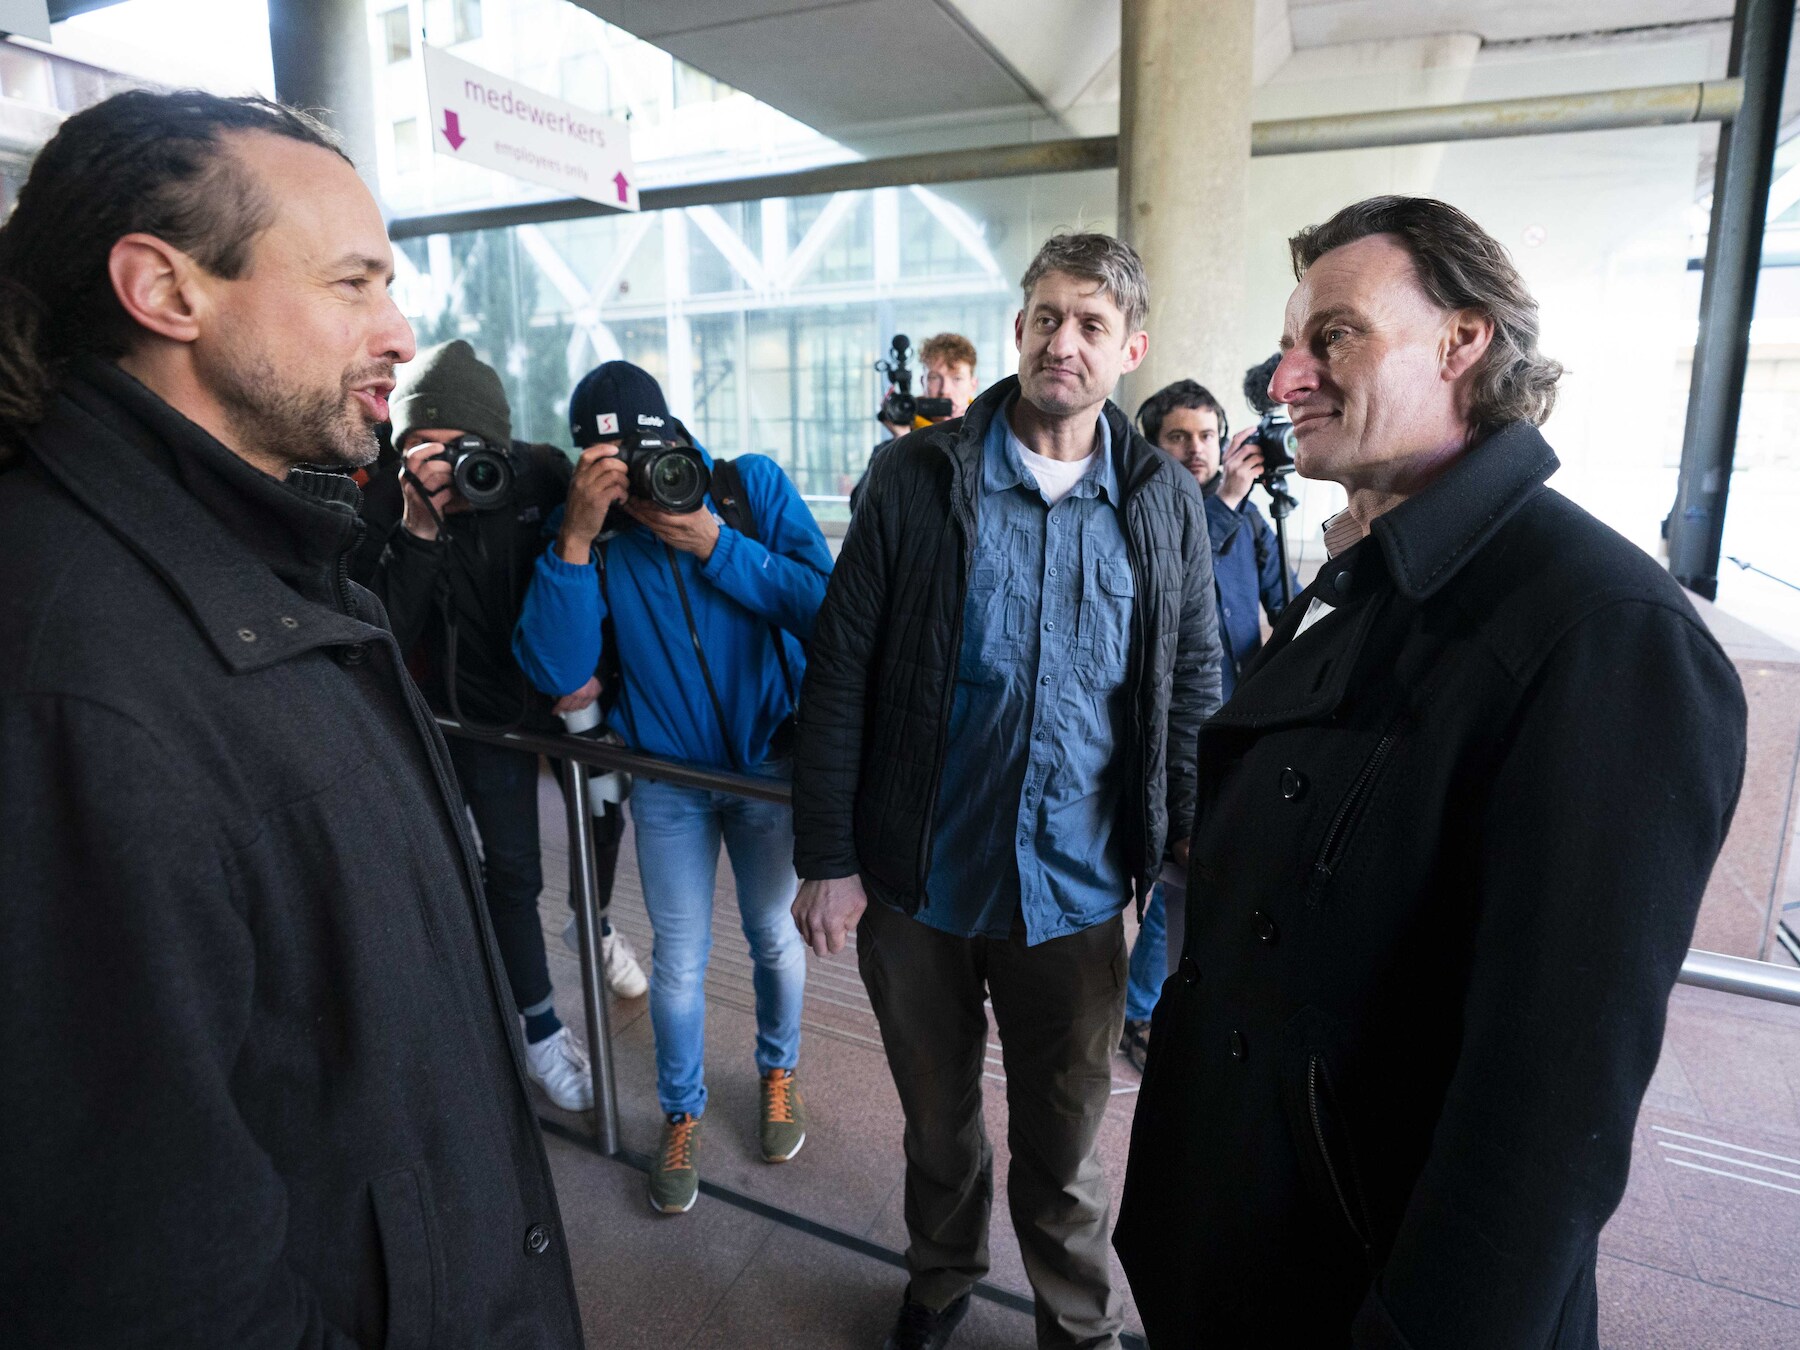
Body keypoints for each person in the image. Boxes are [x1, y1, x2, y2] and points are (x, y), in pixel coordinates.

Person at [0, 91, 582, 1347]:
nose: (398, 328)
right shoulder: (78, 681)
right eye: (353, 283)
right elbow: (144, 1279)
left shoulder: (266, 549)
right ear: (166, 290)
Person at [1115, 196, 1748, 1349]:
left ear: (1465, 343)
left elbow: (1549, 1110)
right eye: (1288, 345)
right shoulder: (1378, 565)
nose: (1287, 377)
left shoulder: (1602, 630)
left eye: (1336, 336)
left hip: (1357, 1281)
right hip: (1246, 1236)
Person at [791, 233, 1223, 1350]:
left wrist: (1186, 842)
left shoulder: (1162, 502)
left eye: (1088, 324)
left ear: (1128, 348)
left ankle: (1074, 1325)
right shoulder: (917, 477)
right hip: (919, 887)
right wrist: (829, 859)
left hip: (1075, 901)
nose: (1060, 342)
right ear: (1017, 332)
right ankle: (939, 1276)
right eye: (1043, 317)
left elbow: (1191, 688)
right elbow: (842, 669)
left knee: (1067, 1150)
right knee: (938, 1127)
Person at [513, 360, 832, 1215]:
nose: (643, 475)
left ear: (678, 434)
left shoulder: (744, 488)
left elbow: (830, 610)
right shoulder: (593, 533)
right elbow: (557, 669)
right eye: (612, 459)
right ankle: (680, 1113)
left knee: (773, 933)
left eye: (652, 449)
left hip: (768, 765)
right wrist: (576, 540)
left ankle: (778, 1072)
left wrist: (718, 546)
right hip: (667, 778)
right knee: (679, 959)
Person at [360, 339, 649, 1113]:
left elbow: (604, 571)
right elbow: (381, 629)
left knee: (607, 814)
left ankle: (592, 923)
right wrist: (418, 529)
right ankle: (542, 1032)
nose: (455, 469)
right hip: (478, 720)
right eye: (431, 450)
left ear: (500, 439)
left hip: (562, 700)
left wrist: (603, 674)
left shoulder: (542, 471)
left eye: (469, 451)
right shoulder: (391, 499)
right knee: (513, 873)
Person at [1116, 379, 1299, 1070]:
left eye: (1207, 436)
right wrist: (1223, 499)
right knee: (1173, 883)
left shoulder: (1249, 518)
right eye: (1179, 437)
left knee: (1208, 881)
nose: (1197, 451)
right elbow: (1178, 581)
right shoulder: (1147, 512)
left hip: (1236, 721)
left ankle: (1183, 1000)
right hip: (1173, 732)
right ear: (1152, 444)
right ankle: (1139, 1011)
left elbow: (1285, 609)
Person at [878, 330, 981, 440]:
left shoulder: (987, 431)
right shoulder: (896, 440)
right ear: (923, 382)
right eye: (934, 378)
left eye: (957, 379)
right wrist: (902, 438)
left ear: (973, 385)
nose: (945, 390)